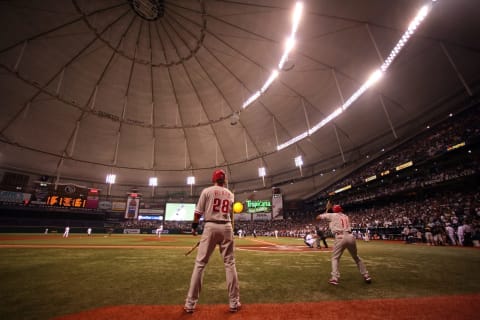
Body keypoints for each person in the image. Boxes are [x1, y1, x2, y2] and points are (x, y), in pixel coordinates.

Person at [184, 169, 240, 314]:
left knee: (200, 264)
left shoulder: (207, 191)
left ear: (213, 179)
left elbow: (197, 213)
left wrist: (194, 228)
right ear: (224, 180)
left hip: (210, 226)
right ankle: (234, 302)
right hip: (227, 227)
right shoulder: (230, 194)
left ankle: (190, 304)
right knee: (230, 264)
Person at [316, 202, 371, 285]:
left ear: (334, 210)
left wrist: (326, 210)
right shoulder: (345, 216)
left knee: (335, 258)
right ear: (341, 210)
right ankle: (366, 275)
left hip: (340, 237)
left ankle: (334, 278)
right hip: (350, 236)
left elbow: (318, 217)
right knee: (356, 257)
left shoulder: (332, 215)